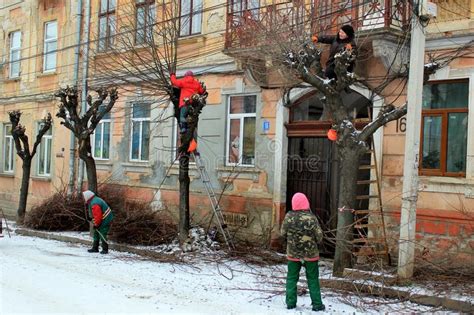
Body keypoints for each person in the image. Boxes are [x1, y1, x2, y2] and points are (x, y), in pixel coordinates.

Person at [281, 192, 325, 311]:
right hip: (311, 256)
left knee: (291, 278)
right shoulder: (312, 218)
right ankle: (317, 304)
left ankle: (290, 303)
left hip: (293, 255)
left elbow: (282, 233)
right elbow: (320, 237)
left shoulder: (288, 216)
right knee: (313, 279)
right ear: (306, 203)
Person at [170, 71, 206, 152]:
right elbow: (201, 91)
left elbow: (174, 82)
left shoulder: (183, 81)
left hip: (185, 104)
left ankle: (183, 128)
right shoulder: (196, 83)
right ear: (192, 76)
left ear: (185, 76)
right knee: (191, 119)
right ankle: (189, 128)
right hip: (193, 105)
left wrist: (172, 75)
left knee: (182, 116)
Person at [82, 190, 114, 254]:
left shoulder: (95, 203)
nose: (83, 199)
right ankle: (95, 248)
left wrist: (96, 224)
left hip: (105, 219)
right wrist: (92, 220)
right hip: (103, 218)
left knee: (102, 233)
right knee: (96, 233)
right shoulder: (95, 199)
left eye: (84, 197)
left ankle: (105, 249)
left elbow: (98, 215)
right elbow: (97, 215)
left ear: (87, 197)